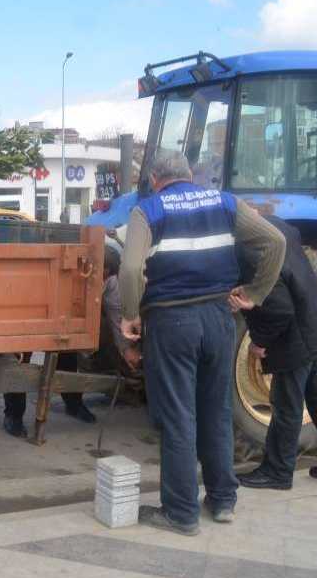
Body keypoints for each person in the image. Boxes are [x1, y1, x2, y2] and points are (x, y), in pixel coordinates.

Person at [120, 150, 285, 536]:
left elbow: (130, 269)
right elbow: (275, 241)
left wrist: (130, 314)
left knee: (178, 415)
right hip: (218, 318)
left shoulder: (149, 210)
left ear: (156, 180)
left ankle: (180, 512)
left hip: (171, 321)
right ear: (190, 175)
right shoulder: (225, 202)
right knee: (216, 410)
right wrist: (255, 293)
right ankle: (223, 500)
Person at [236, 217, 317, 489]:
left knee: (286, 403)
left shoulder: (249, 253)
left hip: (296, 336)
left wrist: (259, 342)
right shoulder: (272, 225)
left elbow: (280, 311)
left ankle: (278, 471)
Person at [2, 247, 137, 436]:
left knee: (68, 355)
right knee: (21, 360)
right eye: (101, 277)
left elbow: (116, 315)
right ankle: (13, 416)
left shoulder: (111, 281)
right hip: (34, 314)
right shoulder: (54, 273)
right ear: (86, 268)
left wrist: (126, 348)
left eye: (106, 278)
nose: (103, 282)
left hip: (66, 319)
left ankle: (73, 404)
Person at [192, 121, 226, 189]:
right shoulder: (202, 167)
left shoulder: (230, 170)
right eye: (213, 142)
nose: (219, 147)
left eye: (219, 143)